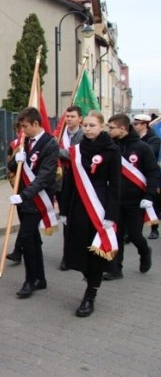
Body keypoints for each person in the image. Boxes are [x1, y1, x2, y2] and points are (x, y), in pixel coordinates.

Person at [59, 111, 121, 317]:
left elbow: (115, 186)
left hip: (100, 206)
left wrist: (111, 215)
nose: (87, 129)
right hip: (78, 205)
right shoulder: (75, 150)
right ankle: (90, 277)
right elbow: (68, 181)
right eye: (85, 125)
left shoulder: (111, 150)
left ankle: (90, 295)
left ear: (102, 126)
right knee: (77, 249)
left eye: (92, 125)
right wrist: (64, 209)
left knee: (96, 253)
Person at [6, 107, 58, 299]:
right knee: (33, 239)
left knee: (27, 238)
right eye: (21, 127)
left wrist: (24, 195)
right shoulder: (24, 142)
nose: (22, 131)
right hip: (24, 198)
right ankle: (40, 278)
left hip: (37, 198)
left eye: (25, 127)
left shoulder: (50, 144)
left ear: (36, 124)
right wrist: (16, 159)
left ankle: (30, 280)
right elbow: (13, 167)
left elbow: (45, 175)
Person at [104, 114, 154, 280]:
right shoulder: (111, 147)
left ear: (122, 128)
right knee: (116, 235)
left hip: (136, 201)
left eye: (111, 128)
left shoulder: (142, 147)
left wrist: (149, 195)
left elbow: (153, 172)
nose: (108, 131)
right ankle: (115, 269)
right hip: (116, 200)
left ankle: (145, 251)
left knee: (134, 235)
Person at [55, 106, 85, 271]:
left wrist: (57, 150)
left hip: (79, 182)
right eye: (67, 116)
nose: (69, 119)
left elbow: (76, 154)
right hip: (61, 182)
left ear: (80, 119)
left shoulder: (83, 134)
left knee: (78, 220)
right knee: (65, 218)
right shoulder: (59, 133)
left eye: (73, 116)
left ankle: (79, 252)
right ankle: (67, 256)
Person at [133, 113, 161, 240]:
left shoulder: (153, 138)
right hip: (134, 174)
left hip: (148, 174)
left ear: (144, 125)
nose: (134, 126)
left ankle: (154, 229)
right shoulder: (133, 137)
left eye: (136, 124)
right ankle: (132, 232)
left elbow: (150, 153)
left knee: (152, 203)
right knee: (133, 203)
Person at [5, 120, 24, 265]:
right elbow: (9, 168)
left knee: (27, 224)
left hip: (32, 191)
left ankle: (18, 250)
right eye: (19, 128)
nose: (21, 131)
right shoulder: (14, 145)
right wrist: (14, 185)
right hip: (19, 189)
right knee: (25, 222)